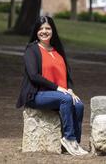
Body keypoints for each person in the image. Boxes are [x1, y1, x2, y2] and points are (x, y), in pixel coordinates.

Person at [16, 16, 88, 156]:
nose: (44, 31)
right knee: (65, 99)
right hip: (36, 95)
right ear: (36, 31)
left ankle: (74, 143)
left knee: (78, 104)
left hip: (58, 94)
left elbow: (67, 74)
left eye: (48, 28)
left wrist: (69, 89)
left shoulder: (57, 50)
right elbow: (33, 75)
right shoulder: (32, 49)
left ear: (53, 30)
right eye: (41, 28)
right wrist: (58, 88)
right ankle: (68, 137)